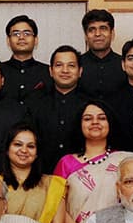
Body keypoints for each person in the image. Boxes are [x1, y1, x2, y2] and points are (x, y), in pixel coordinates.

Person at [28, 45, 91, 173]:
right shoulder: (35, 102)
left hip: (83, 177)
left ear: (80, 71)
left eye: (71, 65)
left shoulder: (91, 105)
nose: (65, 70)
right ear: (51, 71)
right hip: (42, 175)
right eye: (59, 65)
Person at [2, 122, 66, 223]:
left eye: (31, 146)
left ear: (37, 153)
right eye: (17, 144)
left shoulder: (53, 185)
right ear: (7, 149)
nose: (24, 150)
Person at [1, 14, 51, 103]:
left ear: (36, 40)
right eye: (16, 34)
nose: (21, 37)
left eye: (27, 33)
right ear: (8, 41)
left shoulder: (49, 72)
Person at [78, 9, 125, 98]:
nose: (98, 34)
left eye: (103, 28)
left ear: (112, 34)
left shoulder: (125, 65)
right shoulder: (76, 65)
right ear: (85, 36)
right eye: (92, 30)